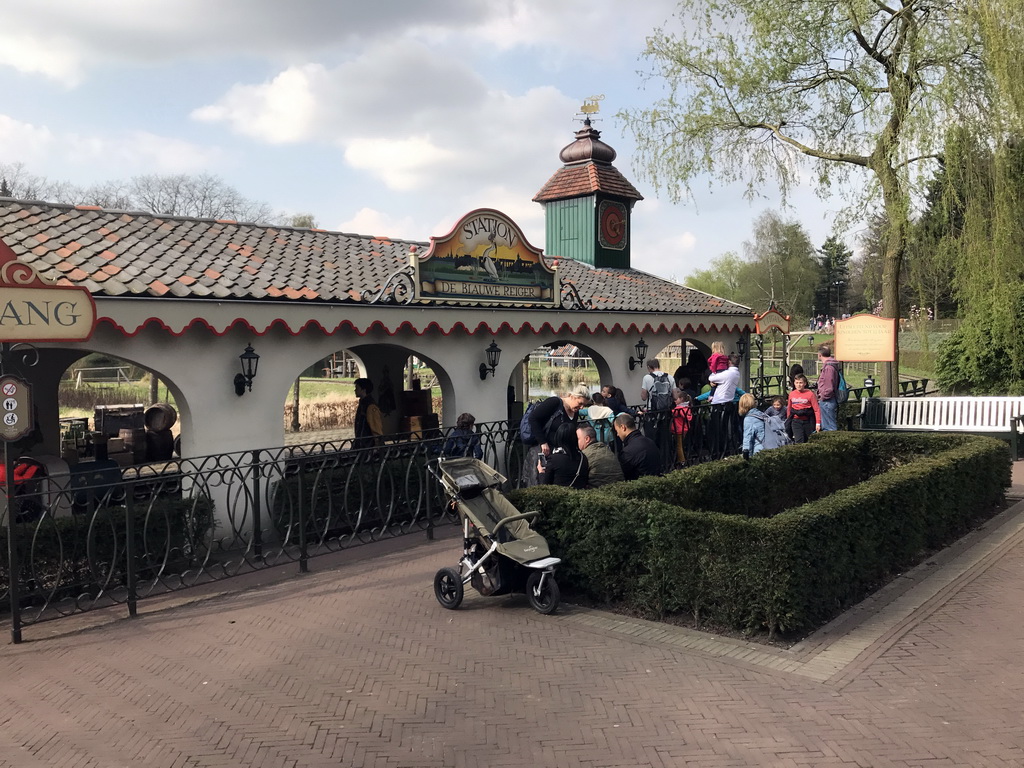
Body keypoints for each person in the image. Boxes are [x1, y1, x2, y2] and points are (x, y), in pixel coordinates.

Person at [521, 384, 590, 486]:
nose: (581, 407)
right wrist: (543, 442)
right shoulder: (554, 403)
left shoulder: (575, 412)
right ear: (572, 396)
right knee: (538, 481)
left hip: (560, 456)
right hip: (544, 451)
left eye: (584, 405)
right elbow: (533, 418)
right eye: (580, 403)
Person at [537, 422, 589, 489]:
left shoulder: (554, 459)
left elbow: (544, 486)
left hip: (560, 497)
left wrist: (541, 472)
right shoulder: (583, 457)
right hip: (579, 496)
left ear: (558, 437)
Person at [613, 412, 661, 481]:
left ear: (623, 427)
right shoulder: (650, 442)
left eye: (617, 431)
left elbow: (622, 475)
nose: (617, 434)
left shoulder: (628, 452)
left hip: (640, 487)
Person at [787, 374, 821, 443]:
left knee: (809, 440)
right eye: (797, 383)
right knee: (799, 440)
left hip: (807, 421)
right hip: (796, 421)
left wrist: (818, 423)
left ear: (804, 383)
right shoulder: (792, 394)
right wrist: (788, 420)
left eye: (800, 383)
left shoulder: (810, 394)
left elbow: (816, 409)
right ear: (794, 383)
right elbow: (789, 408)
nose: (799, 385)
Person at [353, 377, 383, 450]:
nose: (355, 390)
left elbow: (376, 427)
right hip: (362, 444)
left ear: (363, 390)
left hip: (368, 446)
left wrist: (377, 445)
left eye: (357, 388)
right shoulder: (364, 404)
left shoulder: (370, 406)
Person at [816, 343, 840, 431]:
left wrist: (823, 396)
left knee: (829, 427)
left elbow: (829, 384)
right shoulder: (830, 365)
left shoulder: (829, 367)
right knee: (827, 425)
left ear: (819, 355)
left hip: (827, 400)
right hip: (827, 399)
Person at [670, 388, 694, 468]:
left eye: (676, 399)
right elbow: (689, 417)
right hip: (684, 428)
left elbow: (675, 412)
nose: (675, 401)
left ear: (681, 399)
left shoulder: (679, 409)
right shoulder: (687, 407)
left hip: (678, 429)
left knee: (679, 445)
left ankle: (682, 460)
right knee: (681, 444)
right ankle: (683, 459)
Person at [739, 393, 766, 458]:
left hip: (759, 450)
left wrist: (746, 455)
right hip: (767, 446)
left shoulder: (749, 419)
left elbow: (747, 439)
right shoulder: (760, 414)